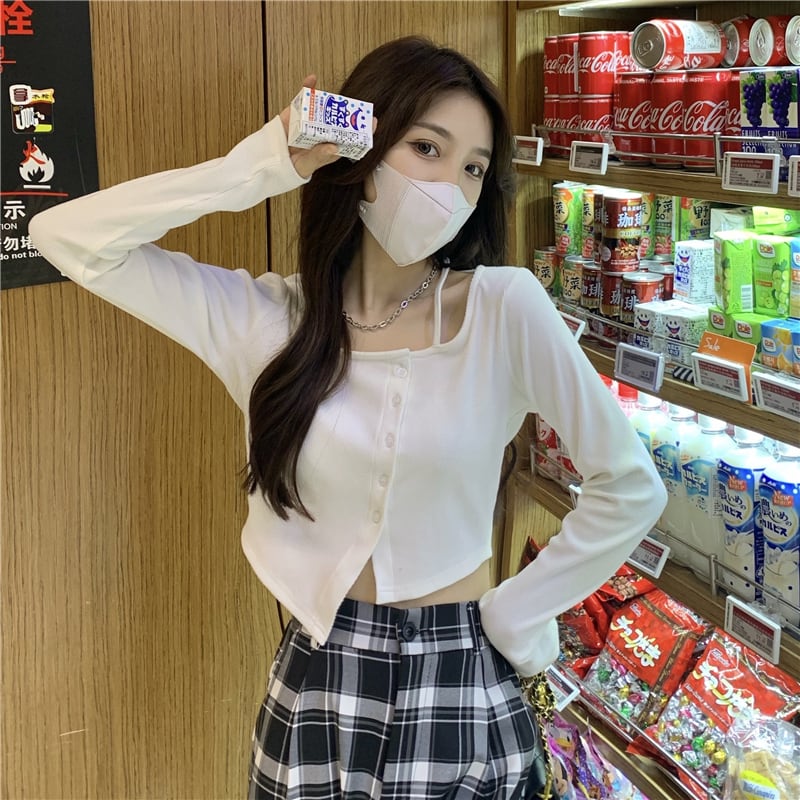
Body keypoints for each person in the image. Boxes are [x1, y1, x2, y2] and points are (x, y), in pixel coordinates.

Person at [30, 35, 666, 800]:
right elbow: (64, 237)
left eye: (473, 168)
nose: (450, 186)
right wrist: (266, 163)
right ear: (362, 153)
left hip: (460, 675)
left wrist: (514, 615)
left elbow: (630, 487)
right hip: (313, 676)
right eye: (426, 148)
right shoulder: (269, 321)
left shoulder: (503, 307)